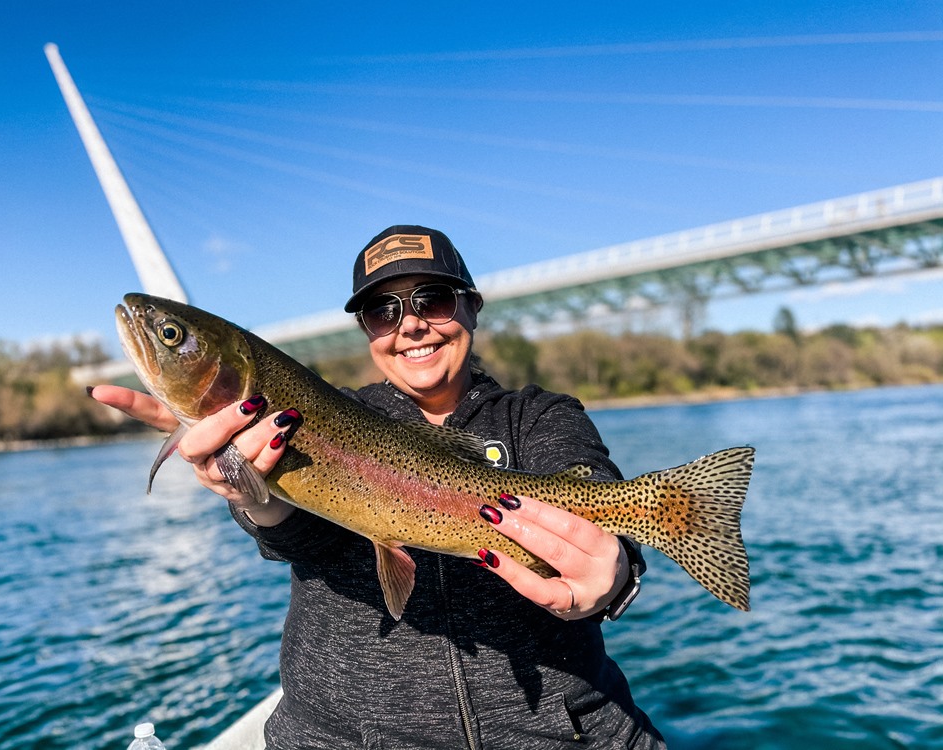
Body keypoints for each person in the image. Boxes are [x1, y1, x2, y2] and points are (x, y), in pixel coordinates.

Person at [93, 225, 666, 749]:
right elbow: (299, 540)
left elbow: (592, 485)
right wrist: (249, 494)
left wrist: (613, 575)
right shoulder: (328, 415)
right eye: (380, 309)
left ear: (471, 307)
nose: (410, 324)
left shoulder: (541, 416)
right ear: (366, 328)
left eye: (433, 300)